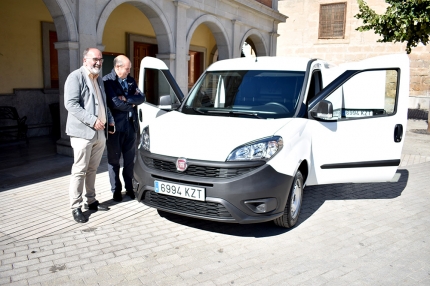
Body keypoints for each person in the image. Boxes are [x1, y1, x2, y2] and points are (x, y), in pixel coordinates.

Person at [64, 47, 115, 223]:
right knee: (79, 170)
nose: (98, 63)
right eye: (95, 59)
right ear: (85, 59)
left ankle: (91, 201)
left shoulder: (98, 79)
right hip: (82, 134)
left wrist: (109, 119)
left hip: (100, 133)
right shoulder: (75, 77)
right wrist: (92, 120)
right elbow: (71, 104)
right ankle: (76, 206)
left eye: (100, 59)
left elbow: (103, 103)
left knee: (92, 169)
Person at [103, 55, 145, 202]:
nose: (129, 71)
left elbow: (142, 98)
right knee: (114, 160)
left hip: (130, 127)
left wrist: (126, 98)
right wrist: (131, 103)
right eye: (127, 69)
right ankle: (116, 190)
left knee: (129, 161)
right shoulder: (108, 81)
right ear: (118, 67)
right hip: (115, 128)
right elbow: (115, 104)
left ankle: (129, 188)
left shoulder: (131, 80)